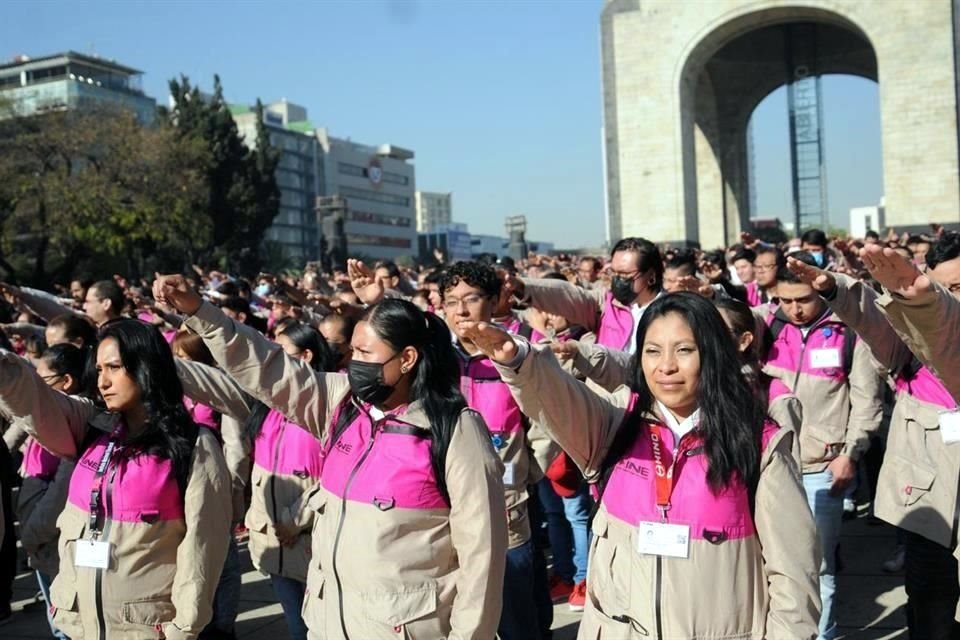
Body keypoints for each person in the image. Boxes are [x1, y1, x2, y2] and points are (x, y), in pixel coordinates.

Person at [154, 274, 508, 639]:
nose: (355, 363)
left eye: (366, 354)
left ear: (407, 359)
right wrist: (200, 312)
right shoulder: (340, 404)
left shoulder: (455, 431)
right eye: (353, 352)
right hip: (330, 625)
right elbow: (268, 366)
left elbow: (482, 561)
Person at [460, 292, 820, 638]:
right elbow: (559, 400)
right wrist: (519, 361)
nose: (666, 366)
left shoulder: (760, 443)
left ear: (714, 355)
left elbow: (793, 574)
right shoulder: (616, 423)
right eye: (652, 351)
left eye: (684, 350)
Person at [0, 319, 232, 639]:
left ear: (146, 366)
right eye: (98, 369)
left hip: (146, 629)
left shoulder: (193, 444)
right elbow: (34, 400)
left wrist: (183, 628)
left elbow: (204, 547)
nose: (102, 381)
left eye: (114, 367)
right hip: (79, 624)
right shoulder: (91, 425)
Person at [787, 243, 960, 638]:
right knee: (930, 614)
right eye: (942, 288)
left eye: (959, 287)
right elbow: (880, 324)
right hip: (927, 505)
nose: (950, 298)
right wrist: (836, 290)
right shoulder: (910, 348)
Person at [177, 322, 336, 640]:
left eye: (281, 355)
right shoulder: (266, 407)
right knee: (295, 625)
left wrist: (295, 520)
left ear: (306, 357)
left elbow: (337, 477)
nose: (270, 364)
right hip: (272, 542)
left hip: (311, 542)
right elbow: (215, 385)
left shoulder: (329, 408)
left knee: (321, 628)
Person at [763, 253, 885, 640]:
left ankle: (824, 633)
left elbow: (867, 401)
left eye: (803, 300)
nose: (794, 309)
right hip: (772, 467)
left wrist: (851, 454)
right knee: (774, 562)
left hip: (823, 466)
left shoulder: (850, 331)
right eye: (786, 301)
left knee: (819, 565)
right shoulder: (765, 326)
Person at [9, 344, 86, 639]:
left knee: (66, 620)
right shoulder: (44, 412)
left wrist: (32, 533)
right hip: (38, 530)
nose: (36, 388)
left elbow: (61, 490)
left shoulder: (70, 418)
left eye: (42, 381)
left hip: (49, 532)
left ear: (66, 381)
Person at [509, 237, 664, 352]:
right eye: (614, 272)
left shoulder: (674, 310)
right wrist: (521, 286)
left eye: (624, 274)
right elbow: (568, 295)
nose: (617, 280)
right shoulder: (606, 304)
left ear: (651, 275)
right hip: (609, 394)